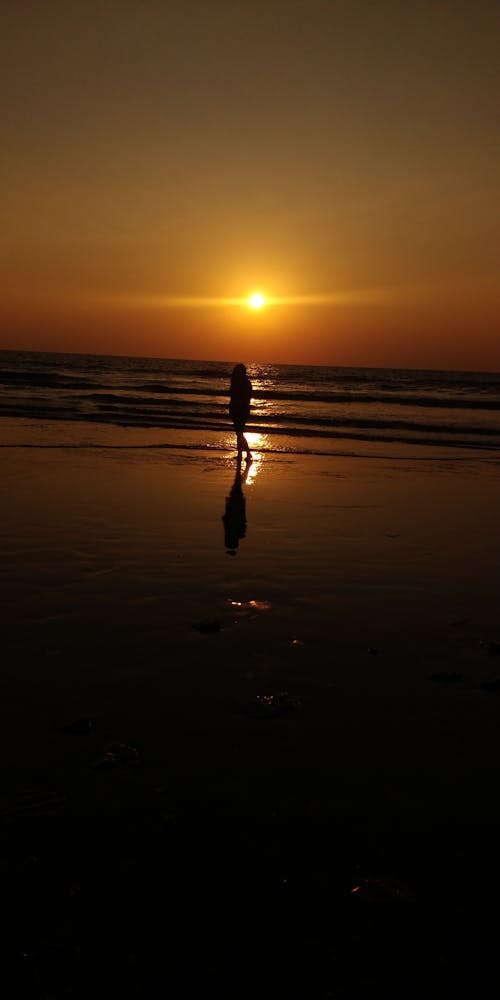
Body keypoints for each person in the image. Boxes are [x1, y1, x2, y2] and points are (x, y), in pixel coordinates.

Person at [229, 363, 252, 460]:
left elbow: (235, 396)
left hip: (239, 409)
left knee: (239, 433)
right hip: (240, 409)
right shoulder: (245, 383)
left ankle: (246, 453)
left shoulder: (240, 383)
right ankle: (242, 454)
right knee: (239, 433)